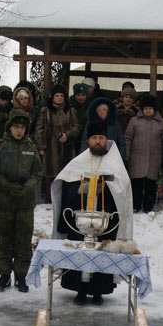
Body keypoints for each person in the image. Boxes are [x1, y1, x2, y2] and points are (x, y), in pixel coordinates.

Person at [52, 120, 133, 304]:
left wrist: (105, 188)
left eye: (101, 138)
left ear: (106, 140)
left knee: (103, 251)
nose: (98, 141)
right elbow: (66, 184)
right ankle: (80, 290)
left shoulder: (115, 162)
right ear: (88, 140)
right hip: (81, 218)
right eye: (94, 138)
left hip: (106, 218)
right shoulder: (79, 162)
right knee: (80, 250)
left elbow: (123, 189)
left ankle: (98, 292)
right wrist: (82, 189)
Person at [0, 108, 43, 293]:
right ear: (10, 127)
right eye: (16, 126)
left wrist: (28, 187)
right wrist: (7, 186)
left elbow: (37, 173)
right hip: (4, 201)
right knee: (4, 239)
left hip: (25, 203)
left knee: (24, 240)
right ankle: (4, 275)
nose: (19, 130)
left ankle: (21, 276)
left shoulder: (31, 148)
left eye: (22, 127)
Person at [34, 84, 80, 202]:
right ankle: (49, 199)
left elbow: (77, 127)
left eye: (61, 95)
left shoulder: (71, 111)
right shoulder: (45, 111)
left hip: (67, 149)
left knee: (65, 176)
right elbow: (39, 129)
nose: (59, 98)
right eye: (57, 95)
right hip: (50, 149)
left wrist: (67, 135)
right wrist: (41, 146)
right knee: (50, 176)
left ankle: (64, 200)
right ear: (52, 97)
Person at [125, 93, 163, 213]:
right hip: (136, 157)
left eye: (150, 108)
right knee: (136, 183)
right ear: (142, 109)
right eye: (146, 108)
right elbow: (127, 138)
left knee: (151, 184)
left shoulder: (162, 123)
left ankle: (149, 206)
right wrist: (127, 155)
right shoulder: (134, 121)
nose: (148, 110)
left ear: (154, 109)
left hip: (154, 158)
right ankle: (136, 205)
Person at [80, 97, 126, 162]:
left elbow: (121, 143)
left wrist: (120, 158)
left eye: (104, 110)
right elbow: (85, 141)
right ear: (96, 112)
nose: (102, 112)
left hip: (111, 157)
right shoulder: (90, 123)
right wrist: (84, 158)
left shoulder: (115, 124)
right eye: (99, 110)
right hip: (93, 156)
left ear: (108, 111)